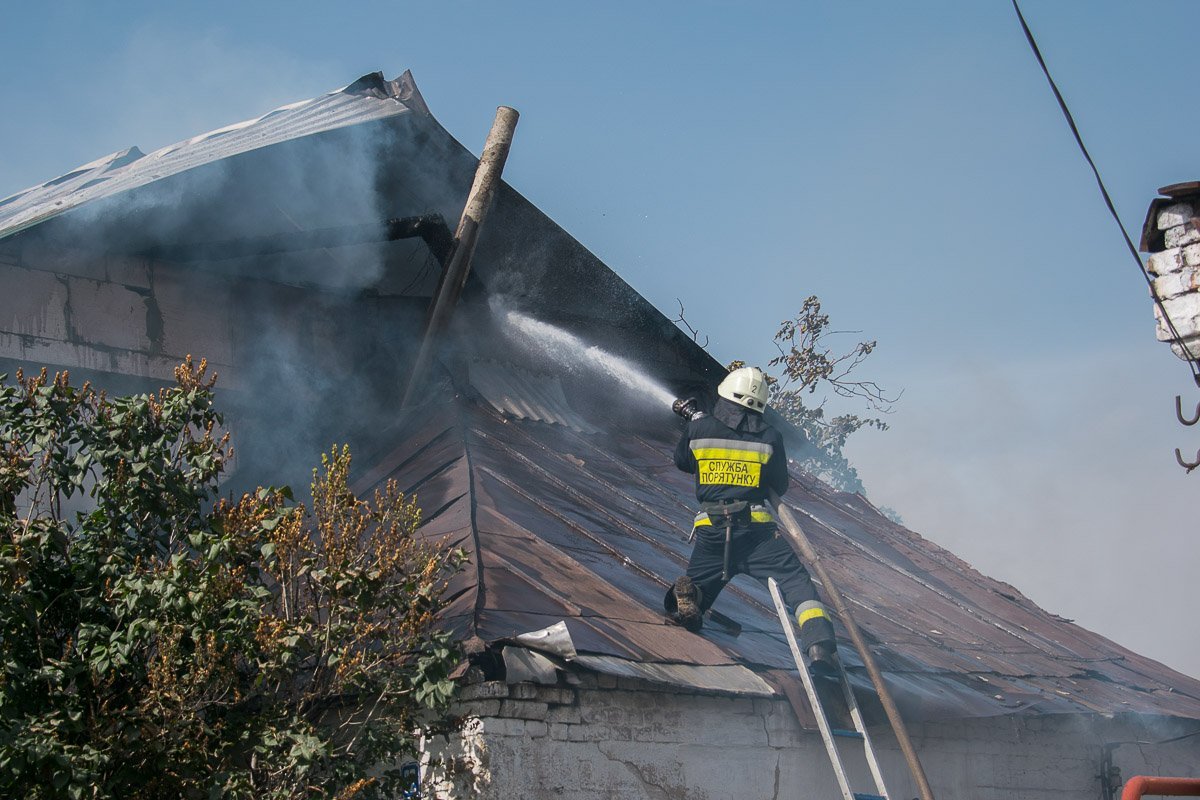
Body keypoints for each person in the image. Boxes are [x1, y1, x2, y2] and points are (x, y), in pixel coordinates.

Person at [666, 366, 837, 670]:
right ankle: (819, 647)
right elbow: (779, 485)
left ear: (724, 397)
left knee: (698, 590)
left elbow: (683, 462)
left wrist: (696, 424)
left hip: (712, 532)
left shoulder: (700, 429)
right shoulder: (770, 436)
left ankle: (689, 599)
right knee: (796, 582)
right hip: (756, 535)